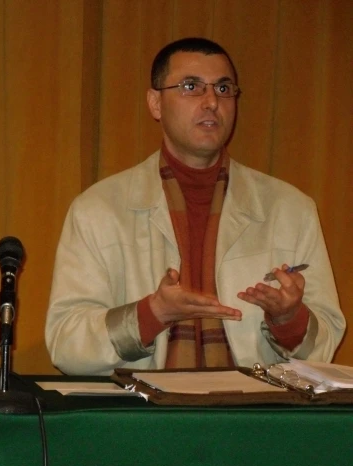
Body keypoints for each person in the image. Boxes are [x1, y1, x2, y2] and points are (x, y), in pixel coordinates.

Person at [45, 37, 345, 375]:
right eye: (191, 87)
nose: (211, 102)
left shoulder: (291, 210)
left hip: (256, 415)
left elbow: (325, 344)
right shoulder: (98, 210)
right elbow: (66, 344)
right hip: (141, 420)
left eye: (223, 88)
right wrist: (152, 313)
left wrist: (288, 318)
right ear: (155, 103)